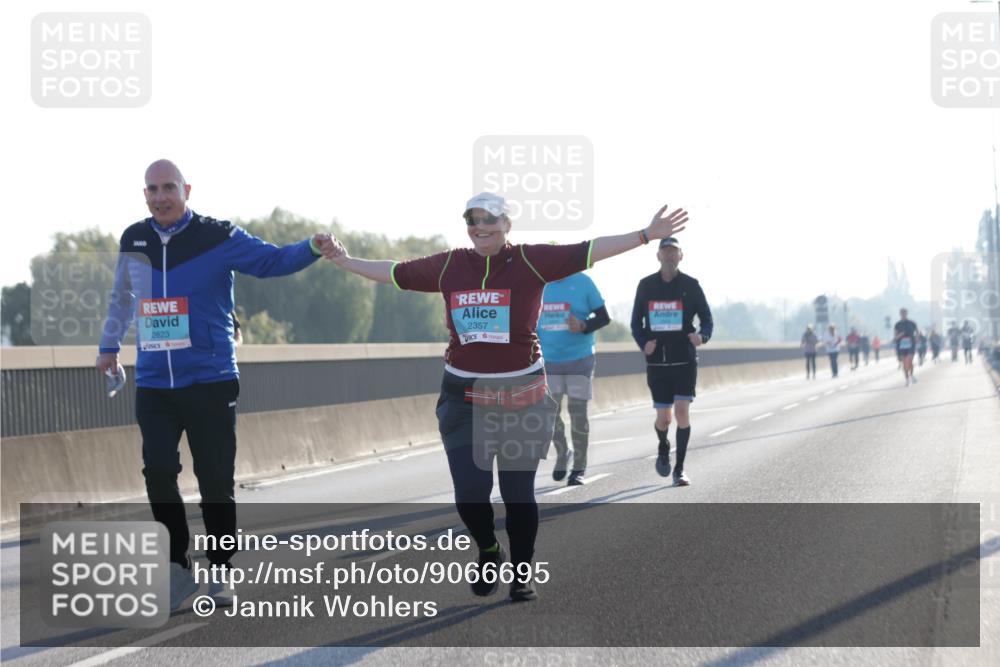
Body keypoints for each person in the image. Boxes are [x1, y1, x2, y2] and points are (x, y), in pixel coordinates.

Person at [319, 193, 689, 602]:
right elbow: (393, 272)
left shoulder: (531, 260)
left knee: (517, 495)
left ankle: (523, 570)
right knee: (470, 493)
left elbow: (590, 250)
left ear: (507, 224)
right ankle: (489, 550)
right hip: (463, 398)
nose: (481, 227)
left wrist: (644, 235)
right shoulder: (450, 265)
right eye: (473, 220)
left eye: (490, 220)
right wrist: (343, 260)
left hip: (522, 397)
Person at [96, 160, 328, 611]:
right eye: (152, 189)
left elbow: (271, 261)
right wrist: (109, 346)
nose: (160, 196)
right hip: (154, 383)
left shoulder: (217, 236)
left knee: (215, 480)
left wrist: (312, 247)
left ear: (186, 189)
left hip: (210, 379)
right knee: (158, 474)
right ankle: (178, 570)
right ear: (144, 194)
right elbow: (123, 297)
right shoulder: (134, 239)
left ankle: (220, 570)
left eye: (168, 187)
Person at [630, 237, 713, 487]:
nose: (669, 256)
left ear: (681, 256)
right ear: (658, 256)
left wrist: (702, 336)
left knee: (681, 411)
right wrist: (644, 343)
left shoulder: (691, 285)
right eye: (665, 251)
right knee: (664, 419)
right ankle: (664, 445)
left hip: (684, 360)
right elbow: (636, 323)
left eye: (673, 252)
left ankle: (679, 469)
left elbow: (707, 320)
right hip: (657, 363)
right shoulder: (646, 285)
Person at [537, 271, 610, 486]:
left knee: (578, 412)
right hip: (548, 361)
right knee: (550, 415)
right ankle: (563, 452)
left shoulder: (583, 282)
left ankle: (579, 468)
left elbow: (604, 317)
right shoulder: (538, 283)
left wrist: (584, 325)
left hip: (580, 359)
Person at [893, 308, 918, 386]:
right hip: (901, 345)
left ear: (907, 313)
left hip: (911, 344)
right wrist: (900, 335)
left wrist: (916, 338)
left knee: (910, 361)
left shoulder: (912, 323)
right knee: (904, 363)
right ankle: (907, 379)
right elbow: (895, 337)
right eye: (902, 313)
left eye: (904, 313)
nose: (903, 314)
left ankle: (911, 375)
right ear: (900, 314)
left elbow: (917, 332)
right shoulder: (897, 324)